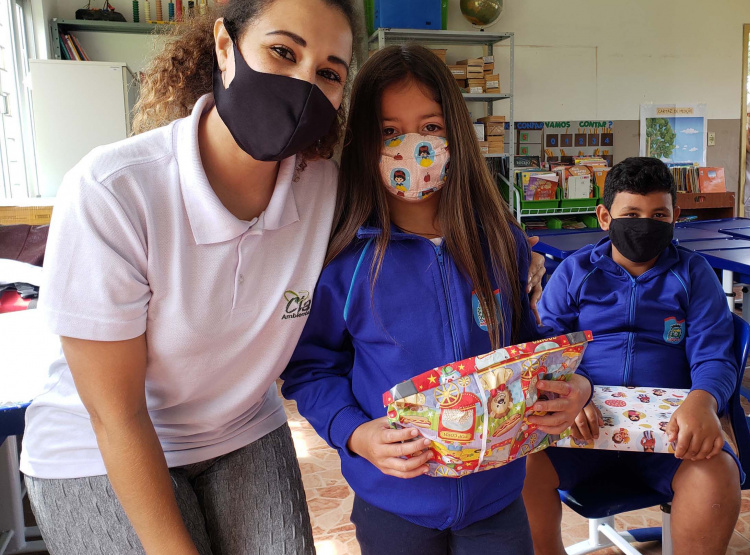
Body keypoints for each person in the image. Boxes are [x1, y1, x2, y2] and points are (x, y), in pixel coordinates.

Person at [17, 0, 540, 552]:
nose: (302, 83)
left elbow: (432, 225)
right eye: (282, 51)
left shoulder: (327, 191)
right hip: (101, 441)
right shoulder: (113, 189)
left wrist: (519, 257)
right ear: (225, 47)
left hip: (240, 428)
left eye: (329, 73)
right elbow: (114, 413)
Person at [280, 44, 591, 555]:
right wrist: (356, 436)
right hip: (394, 502)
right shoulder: (342, 258)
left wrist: (572, 382)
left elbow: (525, 348)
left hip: (498, 501)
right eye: (389, 132)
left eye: (430, 127)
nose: (412, 148)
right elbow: (313, 369)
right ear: (362, 141)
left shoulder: (500, 241)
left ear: (456, 134)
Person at [523, 157, 744, 555]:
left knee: (717, 474)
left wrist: (704, 399)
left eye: (659, 214)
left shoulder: (694, 274)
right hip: (580, 426)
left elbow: (715, 353)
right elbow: (548, 352)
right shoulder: (575, 272)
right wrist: (562, 396)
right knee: (518, 467)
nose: (646, 223)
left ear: (675, 216)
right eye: (632, 213)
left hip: (670, 433)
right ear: (605, 217)